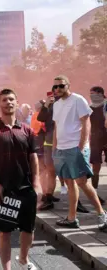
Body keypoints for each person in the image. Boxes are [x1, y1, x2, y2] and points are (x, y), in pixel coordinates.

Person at [0, 89, 42, 270]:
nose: (8, 102)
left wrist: (37, 183)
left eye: (11, 99)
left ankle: (23, 259)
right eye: (4, 100)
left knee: (28, 229)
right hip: (3, 189)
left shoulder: (27, 130)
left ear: (16, 102)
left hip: (26, 187)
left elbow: (33, 157)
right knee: (4, 232)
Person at [51, 75, 107, 229]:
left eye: (61, 86)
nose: (57, 89)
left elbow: (86, 122)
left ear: (68, 85)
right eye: (55, 87)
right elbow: (57, 127)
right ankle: (71, 218)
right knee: (69, 183)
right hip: (62, 149)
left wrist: (81, 147)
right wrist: (55, 148)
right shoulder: (56, 105)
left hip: (76, 147)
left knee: (81, 182)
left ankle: (102, 215)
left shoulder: (78, 100)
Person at [88, 86, 106, 204]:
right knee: (96, 167)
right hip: (95, 139)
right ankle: (95, 193)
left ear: (100, 94)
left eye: (93, 93)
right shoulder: (89, 108)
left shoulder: (106, 105)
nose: (91, 95)